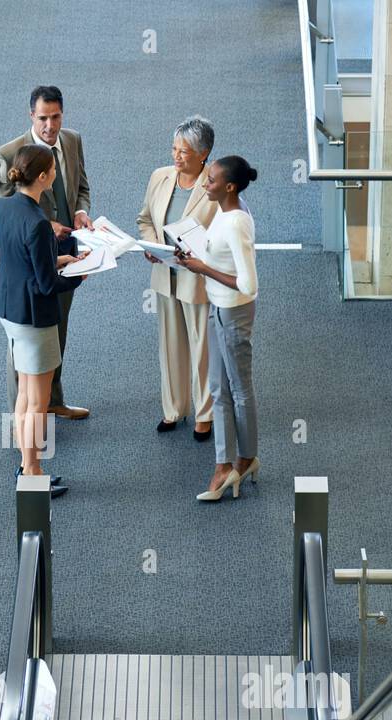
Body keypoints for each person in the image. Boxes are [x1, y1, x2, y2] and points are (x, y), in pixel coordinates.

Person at [0, 85, 92, 421]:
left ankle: (52, 401)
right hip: (34, 262)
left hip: (64, 253)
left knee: (57, 328)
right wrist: (45, 225)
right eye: (42, 118)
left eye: (55, 117)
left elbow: (82, 187)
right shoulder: (8, 154)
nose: (49, 125)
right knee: (26, 349)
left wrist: (80, 212)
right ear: (31, 115)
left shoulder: (72, 141)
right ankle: (26, 420)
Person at [0, 145, 89, 497]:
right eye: (53, 170)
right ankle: (32, 475)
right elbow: (48, 285)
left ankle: (28, 466)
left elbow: (0, 261)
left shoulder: (3, 208)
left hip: (10, 311)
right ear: (44, 177)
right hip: (36, 321)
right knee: (36, 401)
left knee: (25, 396)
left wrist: (55, 259)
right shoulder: (39, 225)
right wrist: (78, 273)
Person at [175, 156, 260, 502]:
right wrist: (192, 258)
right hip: (217, 307)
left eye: (210, 180)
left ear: (229, 187)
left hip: (234, 312)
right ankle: (223, 463)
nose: (205, 184)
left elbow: (248, 284)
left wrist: (202, 268)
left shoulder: (236, 223)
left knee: (239, 390)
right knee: (217, 388)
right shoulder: (225, 215)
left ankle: (246, 458)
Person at [137, 116, 221, 441]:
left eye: (184, 151)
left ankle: (205, 415)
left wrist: (203, 254)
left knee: (201, 347)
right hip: (165, 273)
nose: (177, 156)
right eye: (174, 149)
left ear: (204, 153)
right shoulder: (160, 177)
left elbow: (225, 234)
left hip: (196, 277)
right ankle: (173, 409)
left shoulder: (215, 185)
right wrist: (151, 244)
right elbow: (145, 218)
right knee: (170, 344)